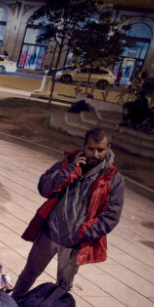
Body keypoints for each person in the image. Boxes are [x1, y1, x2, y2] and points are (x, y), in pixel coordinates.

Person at [13, 127, 123, 297]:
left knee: (62, 288)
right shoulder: (68, 163)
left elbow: (111, 216)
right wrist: (69, 172)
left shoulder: (112, 178)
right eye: (91, 149)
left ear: (109, 148)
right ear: (84, 146)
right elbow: (44, 188)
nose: (95, 154)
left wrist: (84, 233)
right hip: (49, 233)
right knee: (28, 275)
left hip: (74, 243)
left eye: (100, 150)